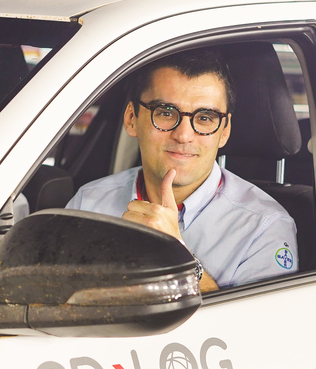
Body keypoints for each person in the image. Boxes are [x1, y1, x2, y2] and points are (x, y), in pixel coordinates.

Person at [66, 49, 298, 292]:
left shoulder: (265, 227)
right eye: (166, 113)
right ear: (132, 118)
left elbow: (253, 319)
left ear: (225, 130)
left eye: (205, 118)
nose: (184, 135)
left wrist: (177, 257)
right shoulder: (88, 204)